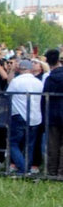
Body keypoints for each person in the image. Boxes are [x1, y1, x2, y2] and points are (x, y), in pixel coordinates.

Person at [6, 58, 43, 175]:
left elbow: (7, 95)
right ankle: (28, 166)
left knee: (13, 143)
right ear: (30, 69)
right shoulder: (38, 82)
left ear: (19, 68)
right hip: (35, 116)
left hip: (19, 115)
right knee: (30, 145)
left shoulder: (16, 81)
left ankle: (23, 168)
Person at [43, 48, 63, 177]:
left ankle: (52, 171)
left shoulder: (49, 79)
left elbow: (44, 98)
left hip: (52, 114)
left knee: (53, 145)